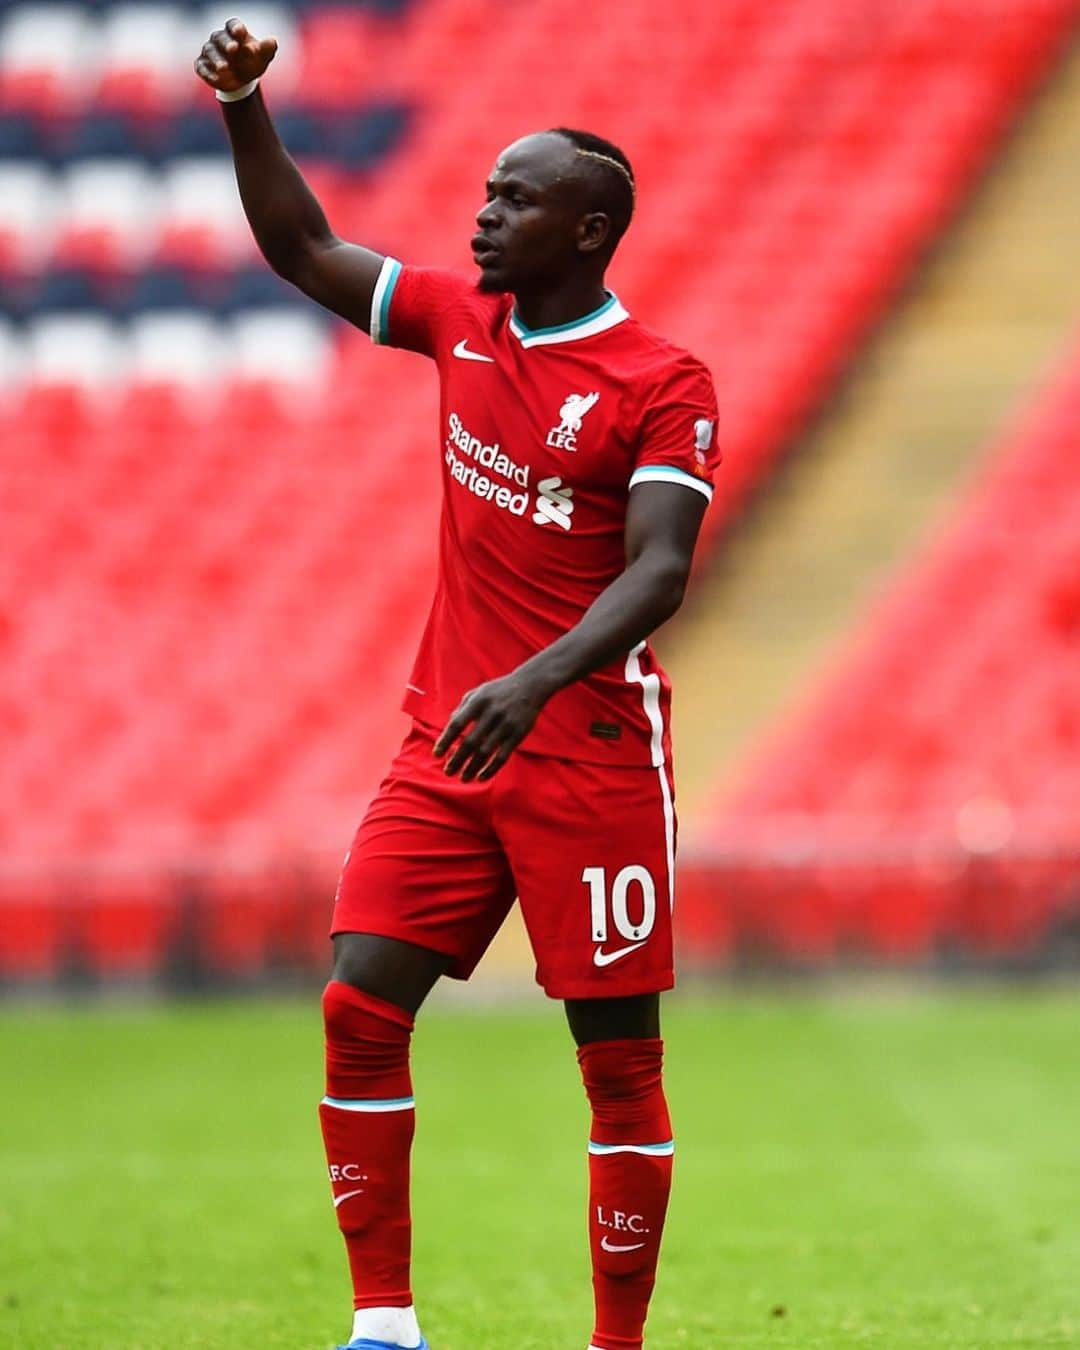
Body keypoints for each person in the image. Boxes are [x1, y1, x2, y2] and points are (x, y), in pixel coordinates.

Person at [196, 18, 720, 1350]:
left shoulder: (661, 381)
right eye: (486, 191)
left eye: (516, 198)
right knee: (359, 1004)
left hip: (589, 748)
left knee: (617, 1066)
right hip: (450, 742)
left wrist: (535, 680)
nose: (483, 217)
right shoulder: (458, 317)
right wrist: (247, 108)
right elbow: (306, 252)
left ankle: (616, 1343)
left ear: (590, 229)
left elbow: (659, 570)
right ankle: (384, 1325)